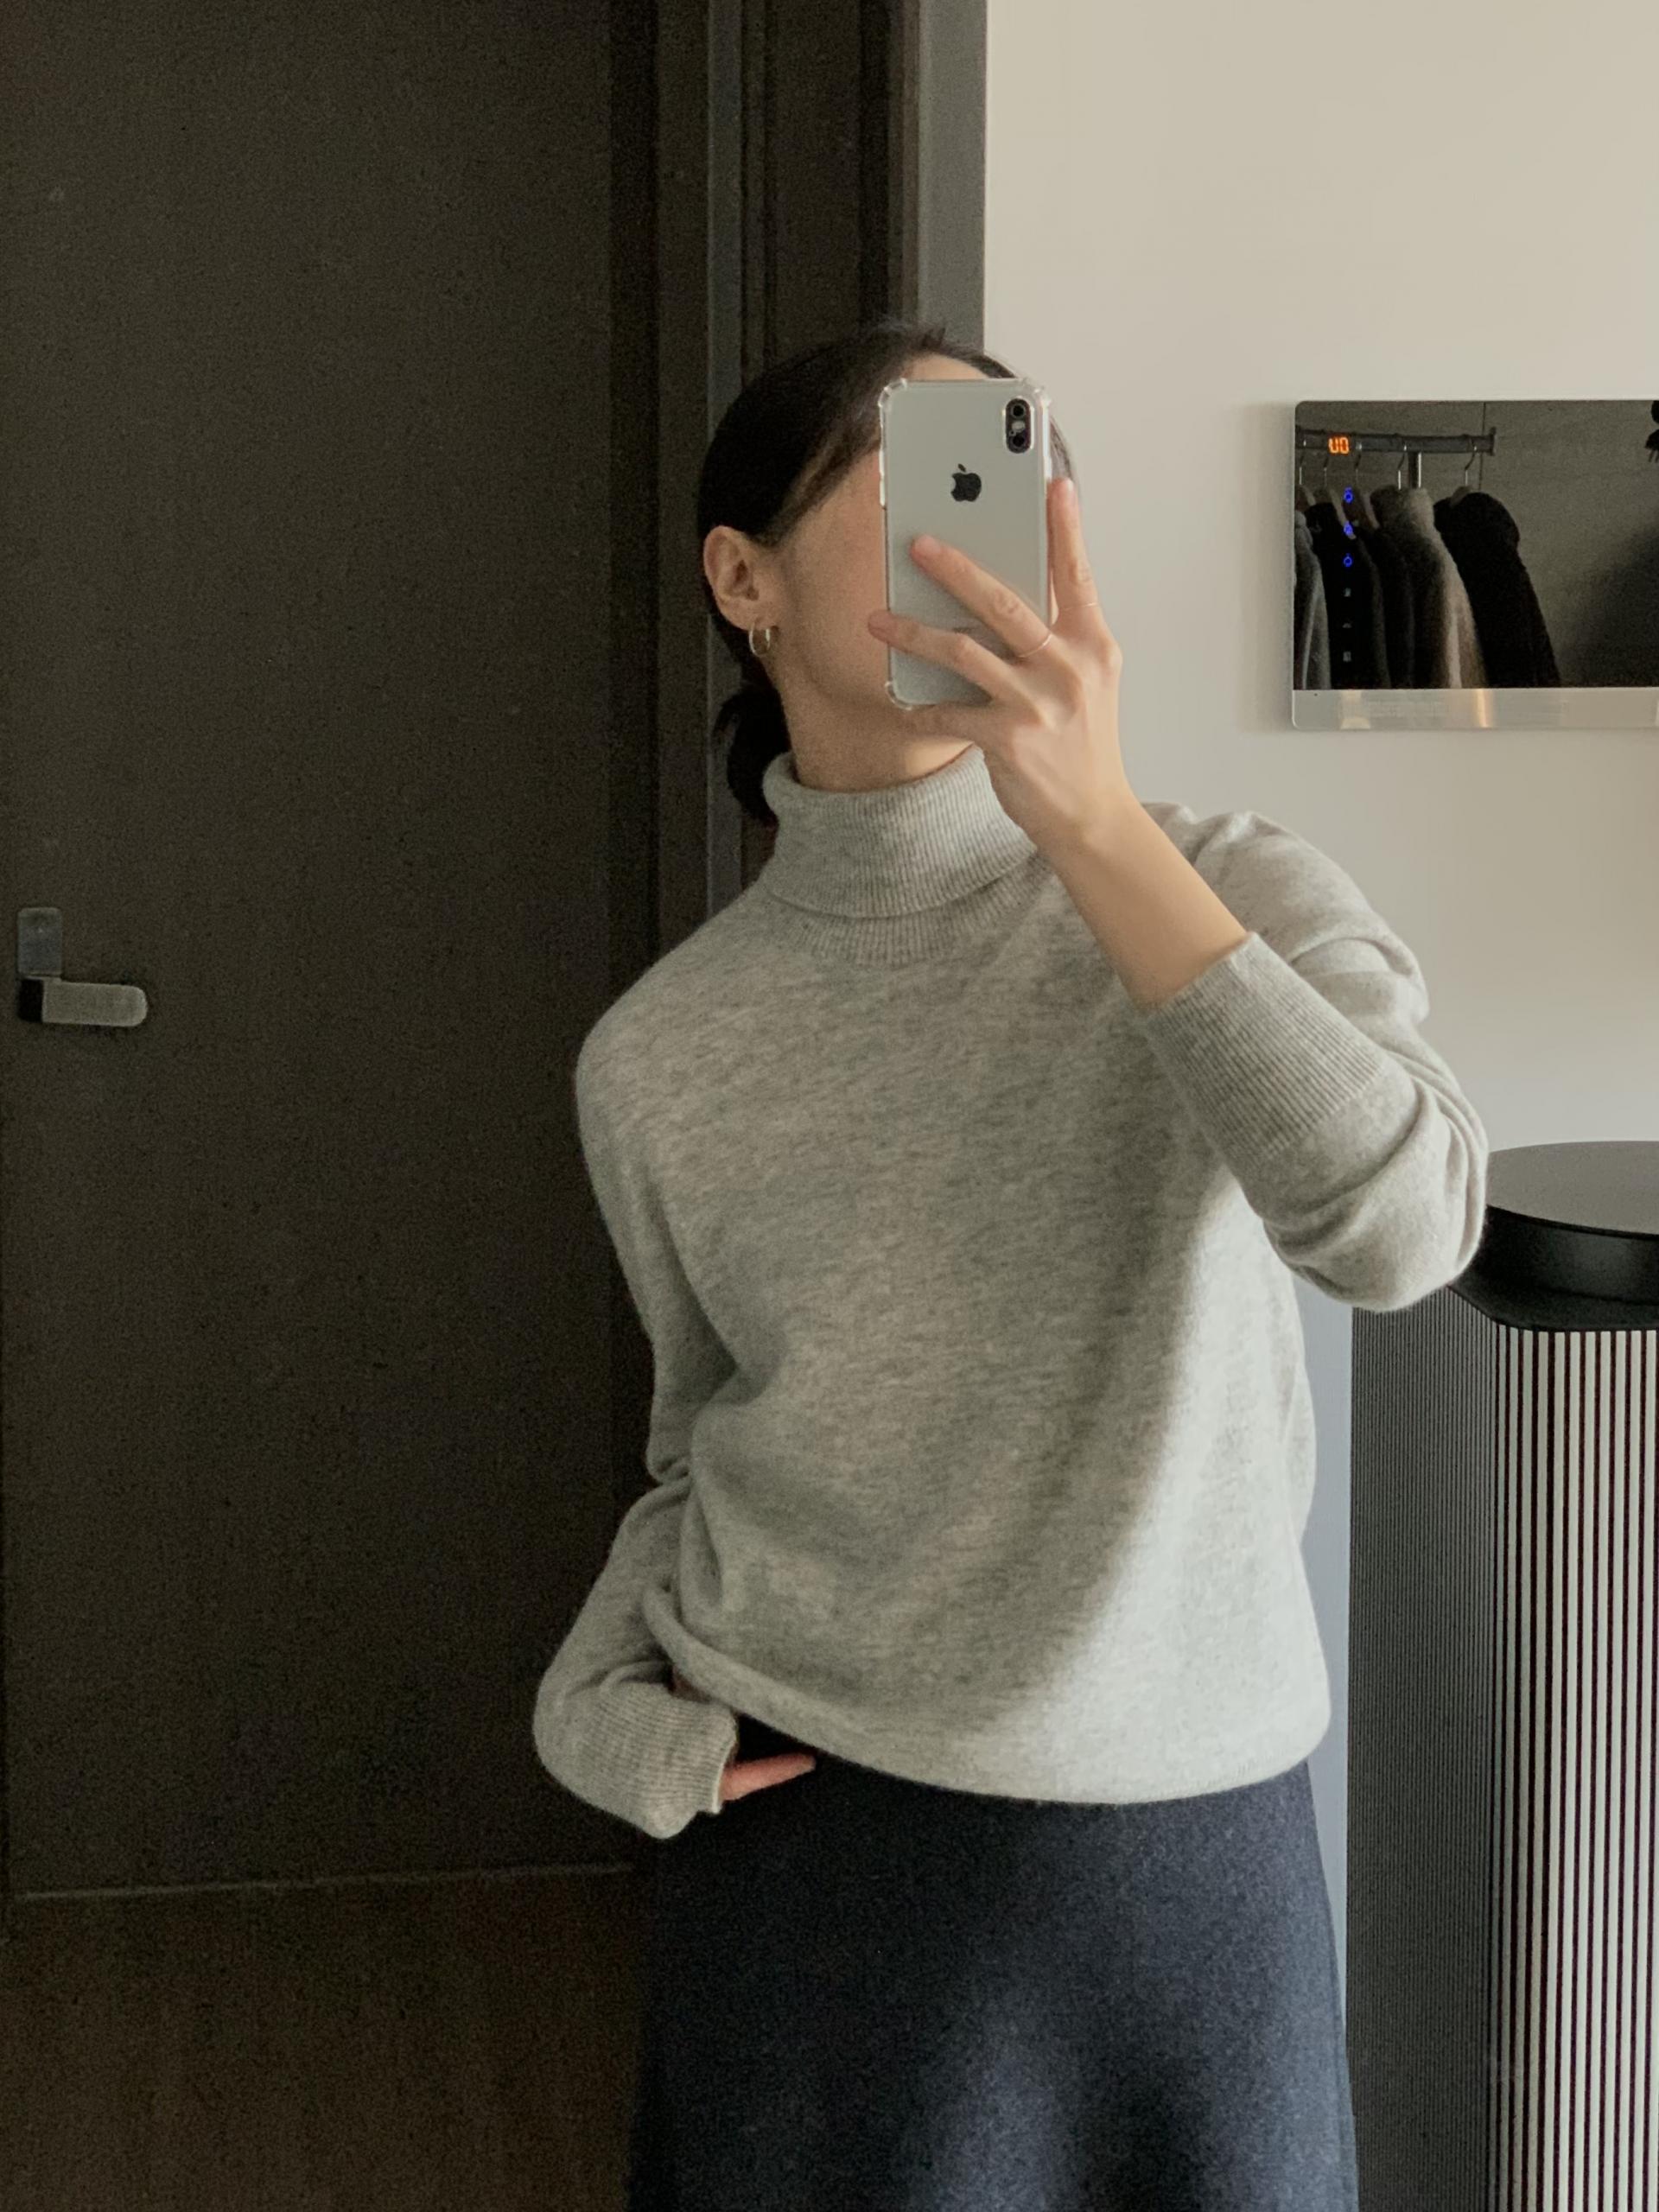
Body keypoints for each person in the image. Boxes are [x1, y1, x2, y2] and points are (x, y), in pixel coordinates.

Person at [532, 315, 1491, 2208]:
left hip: (1186, 1867)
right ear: (742, 579)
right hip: (814, 1859)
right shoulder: (658, 1053)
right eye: (926, 478)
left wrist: (1095, 829)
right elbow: (699, 1445)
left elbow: (1399, 1233)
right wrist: (594, 1699)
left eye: (1021, 474)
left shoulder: (1234, 889)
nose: (993, 530)